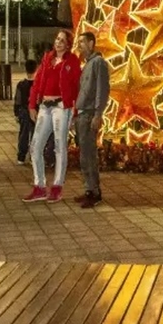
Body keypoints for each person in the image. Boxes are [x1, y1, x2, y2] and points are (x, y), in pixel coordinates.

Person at [23, 29, 81, 203]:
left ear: (68, 44)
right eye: (57, 39)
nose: (58, 43)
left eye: (63, 41)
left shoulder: (72, 61)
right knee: (35, 146)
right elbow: (37, 82)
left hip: (62, 107)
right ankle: (39, 186)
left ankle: (57, 186)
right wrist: (32, 105)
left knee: (59, 146)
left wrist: (75, 109)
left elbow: (77, 86)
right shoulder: (48, 58)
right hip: (45, 107)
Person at [74, 33, 109, 209]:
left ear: (91, 43)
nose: (79, 45)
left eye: (82, 42)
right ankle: (88, 189)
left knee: (89, 155)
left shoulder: (98, 63)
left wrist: (98, 114)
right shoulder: (87, 64)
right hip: (82, 114)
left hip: (89, 115)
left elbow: (101, 90)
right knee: (84, 155)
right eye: (78, 42)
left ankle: (95, 192)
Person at [14, 60, 37, 165]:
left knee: (23, 134)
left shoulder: (21, 84)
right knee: (35, 134)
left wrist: (16, 113)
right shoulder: (38, 84)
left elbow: (17, 100)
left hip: (23, 111)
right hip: (35, 111)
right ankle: (33, 156)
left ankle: (21, 156)